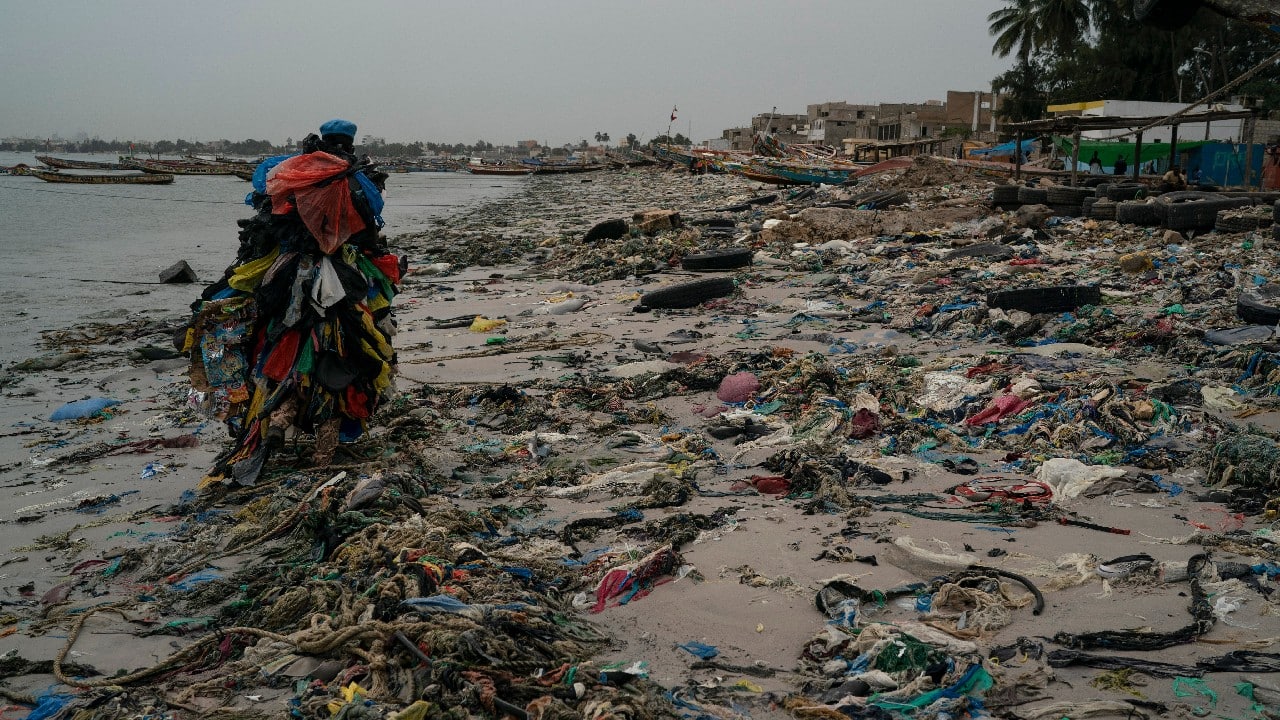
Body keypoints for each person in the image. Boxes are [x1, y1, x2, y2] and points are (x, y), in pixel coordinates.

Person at [183, 119, 401, 489]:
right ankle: (323, 451)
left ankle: (275, 425)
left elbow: (262, 192)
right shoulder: (355, 179)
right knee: (341, 358)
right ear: (349, 141)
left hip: (285, 279)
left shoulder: (292, 169)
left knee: (274, 351)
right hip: (341, 283)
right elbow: (369, 225)